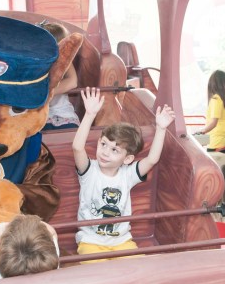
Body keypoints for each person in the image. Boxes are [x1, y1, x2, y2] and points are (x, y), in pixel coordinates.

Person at [72, 87, 175, 260]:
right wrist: (89, 115)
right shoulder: (89, 170)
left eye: (114, 150)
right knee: (99, 272)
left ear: (127, 159)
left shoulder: (128, 174)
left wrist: (161, 129)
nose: (105, 152)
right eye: (103, 144)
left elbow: (152, 159)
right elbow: (77, 147)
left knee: (137, 268)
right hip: (91, 241)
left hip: (121, 241)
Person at [40, 22, 80, 129]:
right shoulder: (35, 60)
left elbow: (73, 82)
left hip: (62, 114)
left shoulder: (65, 60)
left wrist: (43, 93)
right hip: (38, 115)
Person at [197, 70, 225, 153]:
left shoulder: (216, 99)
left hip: (216, 142)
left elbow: (214, 122)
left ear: (212, 83)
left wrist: (201, 131)